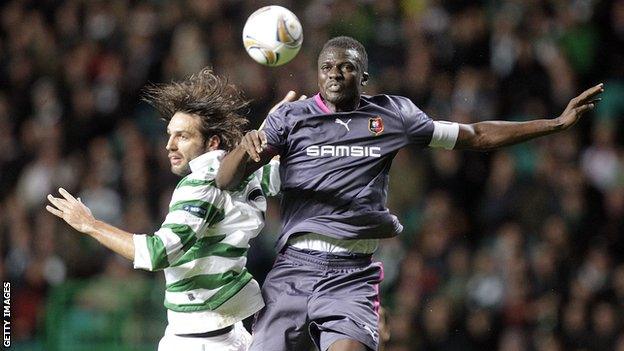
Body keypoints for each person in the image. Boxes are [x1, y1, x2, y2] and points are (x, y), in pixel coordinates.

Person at [215, 36, 604, 351]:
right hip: (294, 268)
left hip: (352, 274)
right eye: (327, 67)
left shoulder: (391, 116)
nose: (335, 74)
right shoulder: (290, 118)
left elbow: (476, 135)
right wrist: (245, 146)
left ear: (364, 76)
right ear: (317, 75)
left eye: (346, 67)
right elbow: (224, 180)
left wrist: (553, 124)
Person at [45, 69, 287, 351]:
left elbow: (157, 253)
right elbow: (278, 174)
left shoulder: (198, 183)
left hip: (196, 343)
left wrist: (90, 224)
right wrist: (282, 129)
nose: (169, 145)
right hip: (234, 336)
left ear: (212, 143)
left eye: (183, 136)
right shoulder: (246, 174)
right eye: (170, 135)